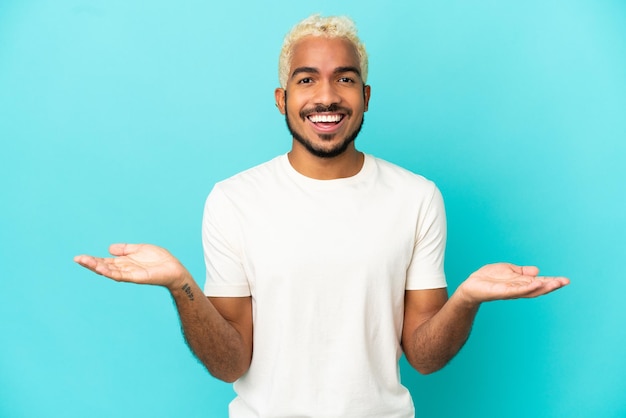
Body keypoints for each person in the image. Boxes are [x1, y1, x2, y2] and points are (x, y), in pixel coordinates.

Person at [74, 14, 569, 418]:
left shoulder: (417, 197)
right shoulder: (234, 199)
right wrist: (180, 285)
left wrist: (465, 299)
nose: (327, 96)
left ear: (365, 98)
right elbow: (230, 363)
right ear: (282, 99)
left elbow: (423, 355)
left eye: (345, 79)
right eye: (306, 78)